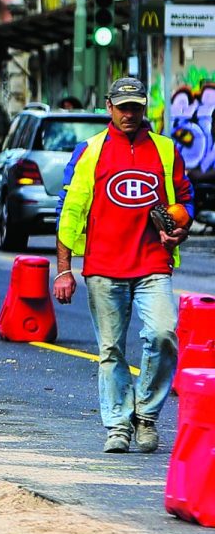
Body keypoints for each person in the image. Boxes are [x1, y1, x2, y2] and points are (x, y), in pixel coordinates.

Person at [53, 76, 192, 453]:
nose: (129, 113)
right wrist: (64, 269)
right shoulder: (89, 152)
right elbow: (68, 213)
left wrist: (180, 228)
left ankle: (145, 415)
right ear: (109, 107)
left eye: (136, 107)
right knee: (111, 350)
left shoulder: (166, 151)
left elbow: (186, 201)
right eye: (123, 106)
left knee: (163, 335)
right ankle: (117, 425)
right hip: (103, 266)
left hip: (152, 263)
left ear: (143, 108)